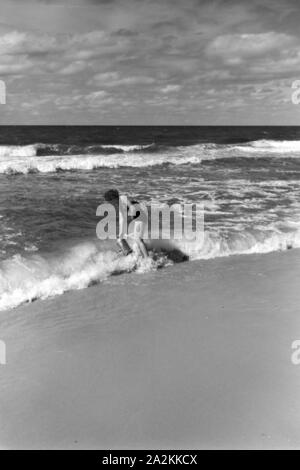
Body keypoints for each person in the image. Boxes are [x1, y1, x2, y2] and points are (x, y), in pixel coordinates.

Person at [104, 189, 148, 258]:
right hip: (138, 217)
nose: (109, 203)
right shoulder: (119, 205)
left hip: (141, 216)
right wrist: (121, 234)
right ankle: (141, 254)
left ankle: (147, 259)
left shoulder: (122, 198)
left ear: (113, 199)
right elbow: (122, 219)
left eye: (110, 201)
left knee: (138, 239)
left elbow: (128, 203)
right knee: (137, 238)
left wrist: (130, 206)